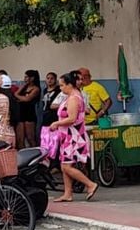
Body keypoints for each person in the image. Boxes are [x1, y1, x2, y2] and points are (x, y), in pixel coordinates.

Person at [45, 70, 99, 203]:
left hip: (73, 137)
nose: (61, 87)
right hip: (67, 136)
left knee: (66, 166)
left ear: (70, 85)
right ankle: (67, 193)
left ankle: (90, 184)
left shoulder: (74, 98)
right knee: (65, 164)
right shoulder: (70, 97)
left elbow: (72, 118)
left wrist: (56, 123)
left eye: (62, 85)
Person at [15, 69, 41, 148]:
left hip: (29, 114)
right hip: (21, 113)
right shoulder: (24, 87)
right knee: (20, 138)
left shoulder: (36, 89)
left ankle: (35, 154)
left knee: (30, 138)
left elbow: (27, 99)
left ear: (32, 78)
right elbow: (15, 94)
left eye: (26, 77)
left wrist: (21, 98)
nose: (24, 79)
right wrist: (21, 97)